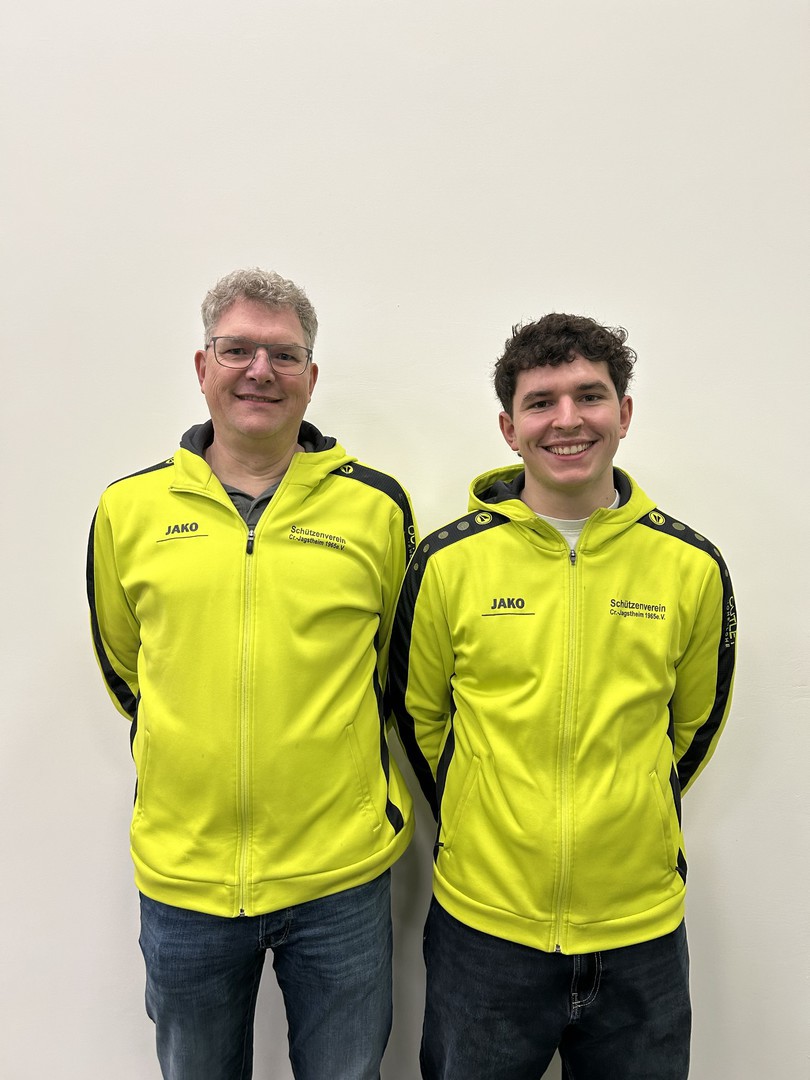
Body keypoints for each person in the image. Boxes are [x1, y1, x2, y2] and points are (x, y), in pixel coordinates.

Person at [87, 268, 417, 1080]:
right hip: (185, 877)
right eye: (237, 350)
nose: (260, 371)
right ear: (204, 367)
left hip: (339, 875)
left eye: (284, 354)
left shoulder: (377, 508)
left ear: (311, 375)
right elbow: (128, 667)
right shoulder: (128, 509)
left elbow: (399, 671)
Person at [389, 313, 736, 1080]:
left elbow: (693, 726)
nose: (568, 419)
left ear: (625, 413)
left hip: (639, 929)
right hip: (485, 929)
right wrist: (478, 815)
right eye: (542, 402)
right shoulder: (448, 562)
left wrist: (632, 806)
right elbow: (418, 719)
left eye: (590, 395)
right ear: (509, 428)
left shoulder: (691, 566)